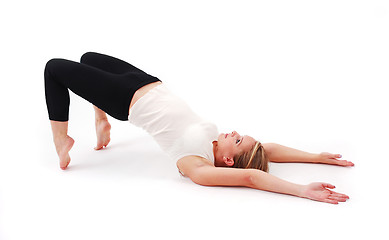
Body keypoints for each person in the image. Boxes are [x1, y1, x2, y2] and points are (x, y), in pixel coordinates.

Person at [44, 52, 354, 204]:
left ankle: (62, 141)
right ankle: (100, 119)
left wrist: (301, 190)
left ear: (229, 161)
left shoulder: (196, 164)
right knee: (89, 57)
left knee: (54, 68)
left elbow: (250, 175)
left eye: (238, 139)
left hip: (123, 98)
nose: (234, 132)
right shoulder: (216, 145)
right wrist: (315, 156)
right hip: (147, 82)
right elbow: (267, 151)